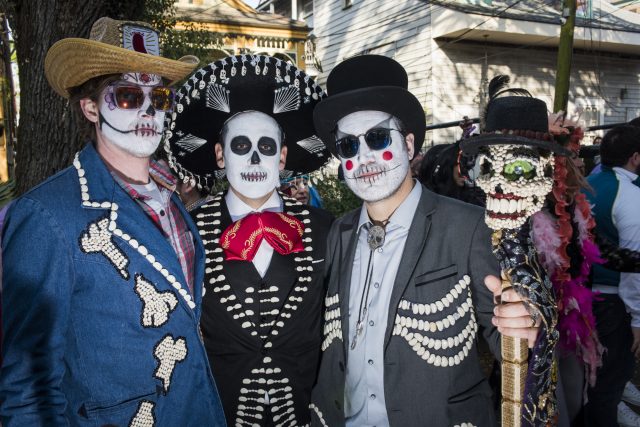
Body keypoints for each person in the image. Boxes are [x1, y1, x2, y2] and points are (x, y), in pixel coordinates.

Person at [0, 17, 226, 425]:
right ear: (89, 107)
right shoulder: (45, 217)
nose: (146, 111)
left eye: (158, 97)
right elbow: (27, 391)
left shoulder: (172, 199)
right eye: (125, 96)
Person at [309, 55, 539, 426]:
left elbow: (511, 343)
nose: (364, 157)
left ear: (410, 143)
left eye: (378, 138)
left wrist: (528, 327)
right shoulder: (338, 232)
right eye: (349, 146)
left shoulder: (468, 227)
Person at [164, 54, 333, 426]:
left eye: (267, 148)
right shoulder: (188, 233)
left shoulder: (324, 229)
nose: (255, 159)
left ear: (283, 157)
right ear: (221, 156)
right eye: (241, 147)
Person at [584, 125, 640, 427]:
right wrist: (638, 320)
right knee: (609, 382)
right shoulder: (629, 195)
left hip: (588, 298)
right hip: (615, 303)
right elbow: (633, 266)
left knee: (596, 381)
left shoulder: (591, 182)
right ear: (634, 157)